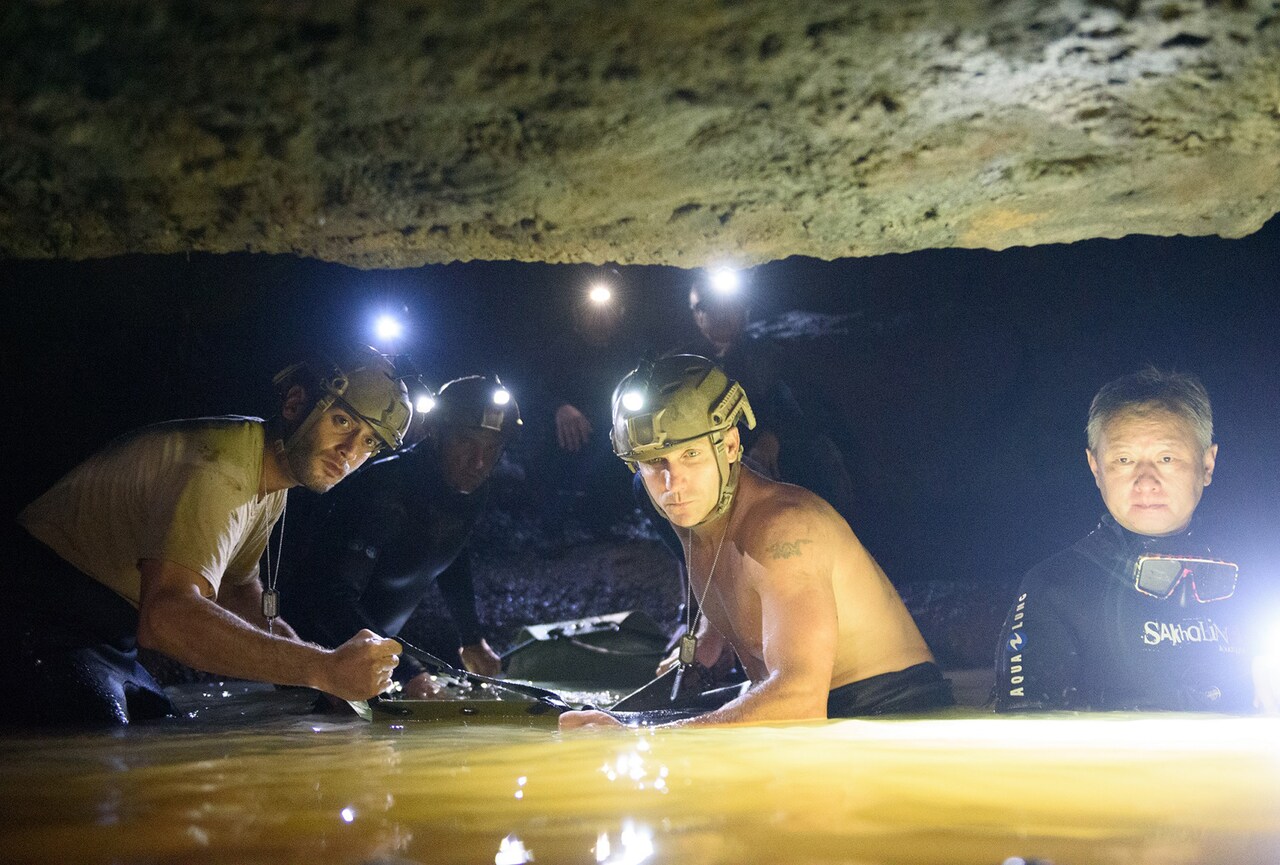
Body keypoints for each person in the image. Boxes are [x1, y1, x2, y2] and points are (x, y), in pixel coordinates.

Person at [10, 344, 411, 725]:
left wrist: (326, 678)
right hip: (34, 615)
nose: (349, 451)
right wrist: (323, 669)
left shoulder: (270, 478)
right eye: (342, 422)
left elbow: (238, 592)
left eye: (369, 442)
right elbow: (166, 616)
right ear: (294, 404)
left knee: (160, 729)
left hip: (105, 636)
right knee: (102, 753)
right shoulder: (220, 468)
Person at [559, 355, 951, 729]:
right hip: (816, 717)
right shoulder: (696, 516)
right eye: (654, 462)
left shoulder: (784, 529)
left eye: (691, 454)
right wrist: (708, 638)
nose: (672, 484)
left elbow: (800, 700)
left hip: (891, 717)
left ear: (730, 446)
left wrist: (644, 738)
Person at [994, 368, 1269, 712]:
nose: (1146, 481)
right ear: (1096, 468)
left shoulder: (1259, 581)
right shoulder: (1053, 588)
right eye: (1124, 460)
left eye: (1166, 459)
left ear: (1207, 464)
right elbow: (1021, 737)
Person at [285, 375, 521, 698]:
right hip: (311, 658)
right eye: (467, 442)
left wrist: (471, 637)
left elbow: (450, 552)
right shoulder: (384, 490)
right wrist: (407, 670)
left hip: (378, 659)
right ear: (436, 434)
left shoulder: (469, 489)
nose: (478, 462)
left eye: (492, 449)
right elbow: (329, 597)